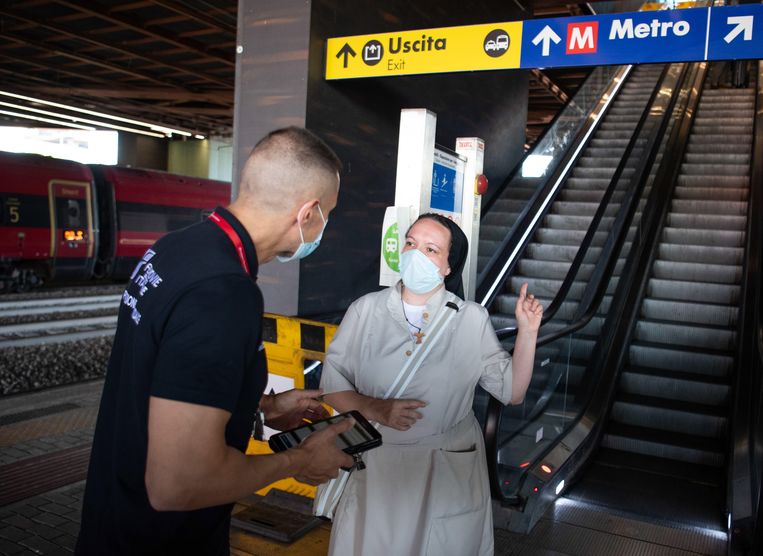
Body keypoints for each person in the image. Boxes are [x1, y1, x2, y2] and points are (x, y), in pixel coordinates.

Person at [75, 127, 355, 555]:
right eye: (328, 215)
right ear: (308, 213)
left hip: (113, 521)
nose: (324, 229)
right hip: (161, 541)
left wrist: (261, 408)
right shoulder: (222, 292)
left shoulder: (174, 249)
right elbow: (177, 484)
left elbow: (164, 378)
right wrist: (299, 460)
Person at [319, 213, 543, 556]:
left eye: (431, 249)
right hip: (377, 467)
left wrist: (528, 332)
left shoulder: (470, 319)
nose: (415, 254)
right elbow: (332, 384)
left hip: (443, 469)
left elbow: (511, 392)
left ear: (448, 267)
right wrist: (374, 408)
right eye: (410, 243)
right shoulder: (365, 310)